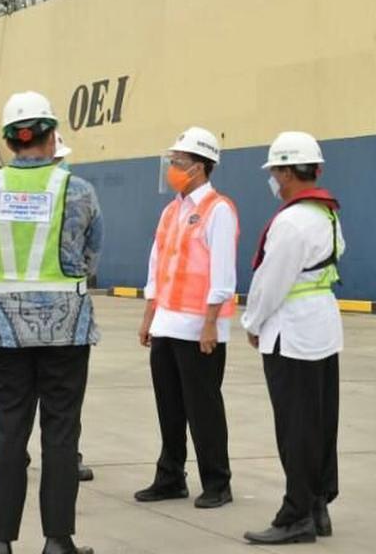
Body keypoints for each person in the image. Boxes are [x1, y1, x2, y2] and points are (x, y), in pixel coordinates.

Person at [0, 92, 102, 554]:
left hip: (2, 331)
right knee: (61, 434)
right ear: (51, 135)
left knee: (8, 434)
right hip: (67, 331)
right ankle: (57, 541)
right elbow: (91, 256)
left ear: (9, 140)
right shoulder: (78, 191)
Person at [241, 131, 345, 545]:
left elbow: (271, 282)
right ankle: (318, 505)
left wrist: (253, 322)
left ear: (286, 172)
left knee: (295, 427)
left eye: (275, 171)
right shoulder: (327, 214)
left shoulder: (290, 222)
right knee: (320, 423)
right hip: (322, 327)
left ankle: (295, 515)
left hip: (292, 332)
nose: (273, 179)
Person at [134, 127, 237, 509]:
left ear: (199, 167)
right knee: (170, 407)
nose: (172, 168)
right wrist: (149, 315)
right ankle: (170, 477)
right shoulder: (171, 211)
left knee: (203, 408)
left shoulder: (218, 209)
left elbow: (223, 273)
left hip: (198, 328)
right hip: (166, 323)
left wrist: (210, 323)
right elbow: (156, 265)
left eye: (178, 162)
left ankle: (218, 482)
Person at [49, 130, 96, 484]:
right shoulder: (81, 193)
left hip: (13, 321)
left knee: (27, 406)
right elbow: (93, 254)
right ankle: (65, 458)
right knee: (63, 402)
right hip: (65, 317)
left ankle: (59, 456)